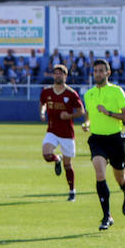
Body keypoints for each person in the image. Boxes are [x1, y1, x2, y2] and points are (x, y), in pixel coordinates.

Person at [82, 59, 125, 231]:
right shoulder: (89, 94)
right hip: (97, 139)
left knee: (119, 177)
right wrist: (87, 123)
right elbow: (88, 115)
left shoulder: (117, 92)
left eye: (101, 70)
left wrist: (108, 113)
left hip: (116, 139)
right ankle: (107, 216)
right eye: (95, 70)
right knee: (99, 172)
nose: (98, 73)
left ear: (108, 73)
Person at [38, 64, 86, 202]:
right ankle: (56, 159)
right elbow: (43, 104)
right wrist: (42, 113)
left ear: (65, 76)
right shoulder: (46, 92)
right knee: (47, 154)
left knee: (68, 165)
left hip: (67, 133)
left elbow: (81, 111)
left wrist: (69, 115)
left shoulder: (70, 93)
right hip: (52, 130)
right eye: (56, 73)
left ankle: (72, 191)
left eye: (61, 73)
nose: (58, 75)